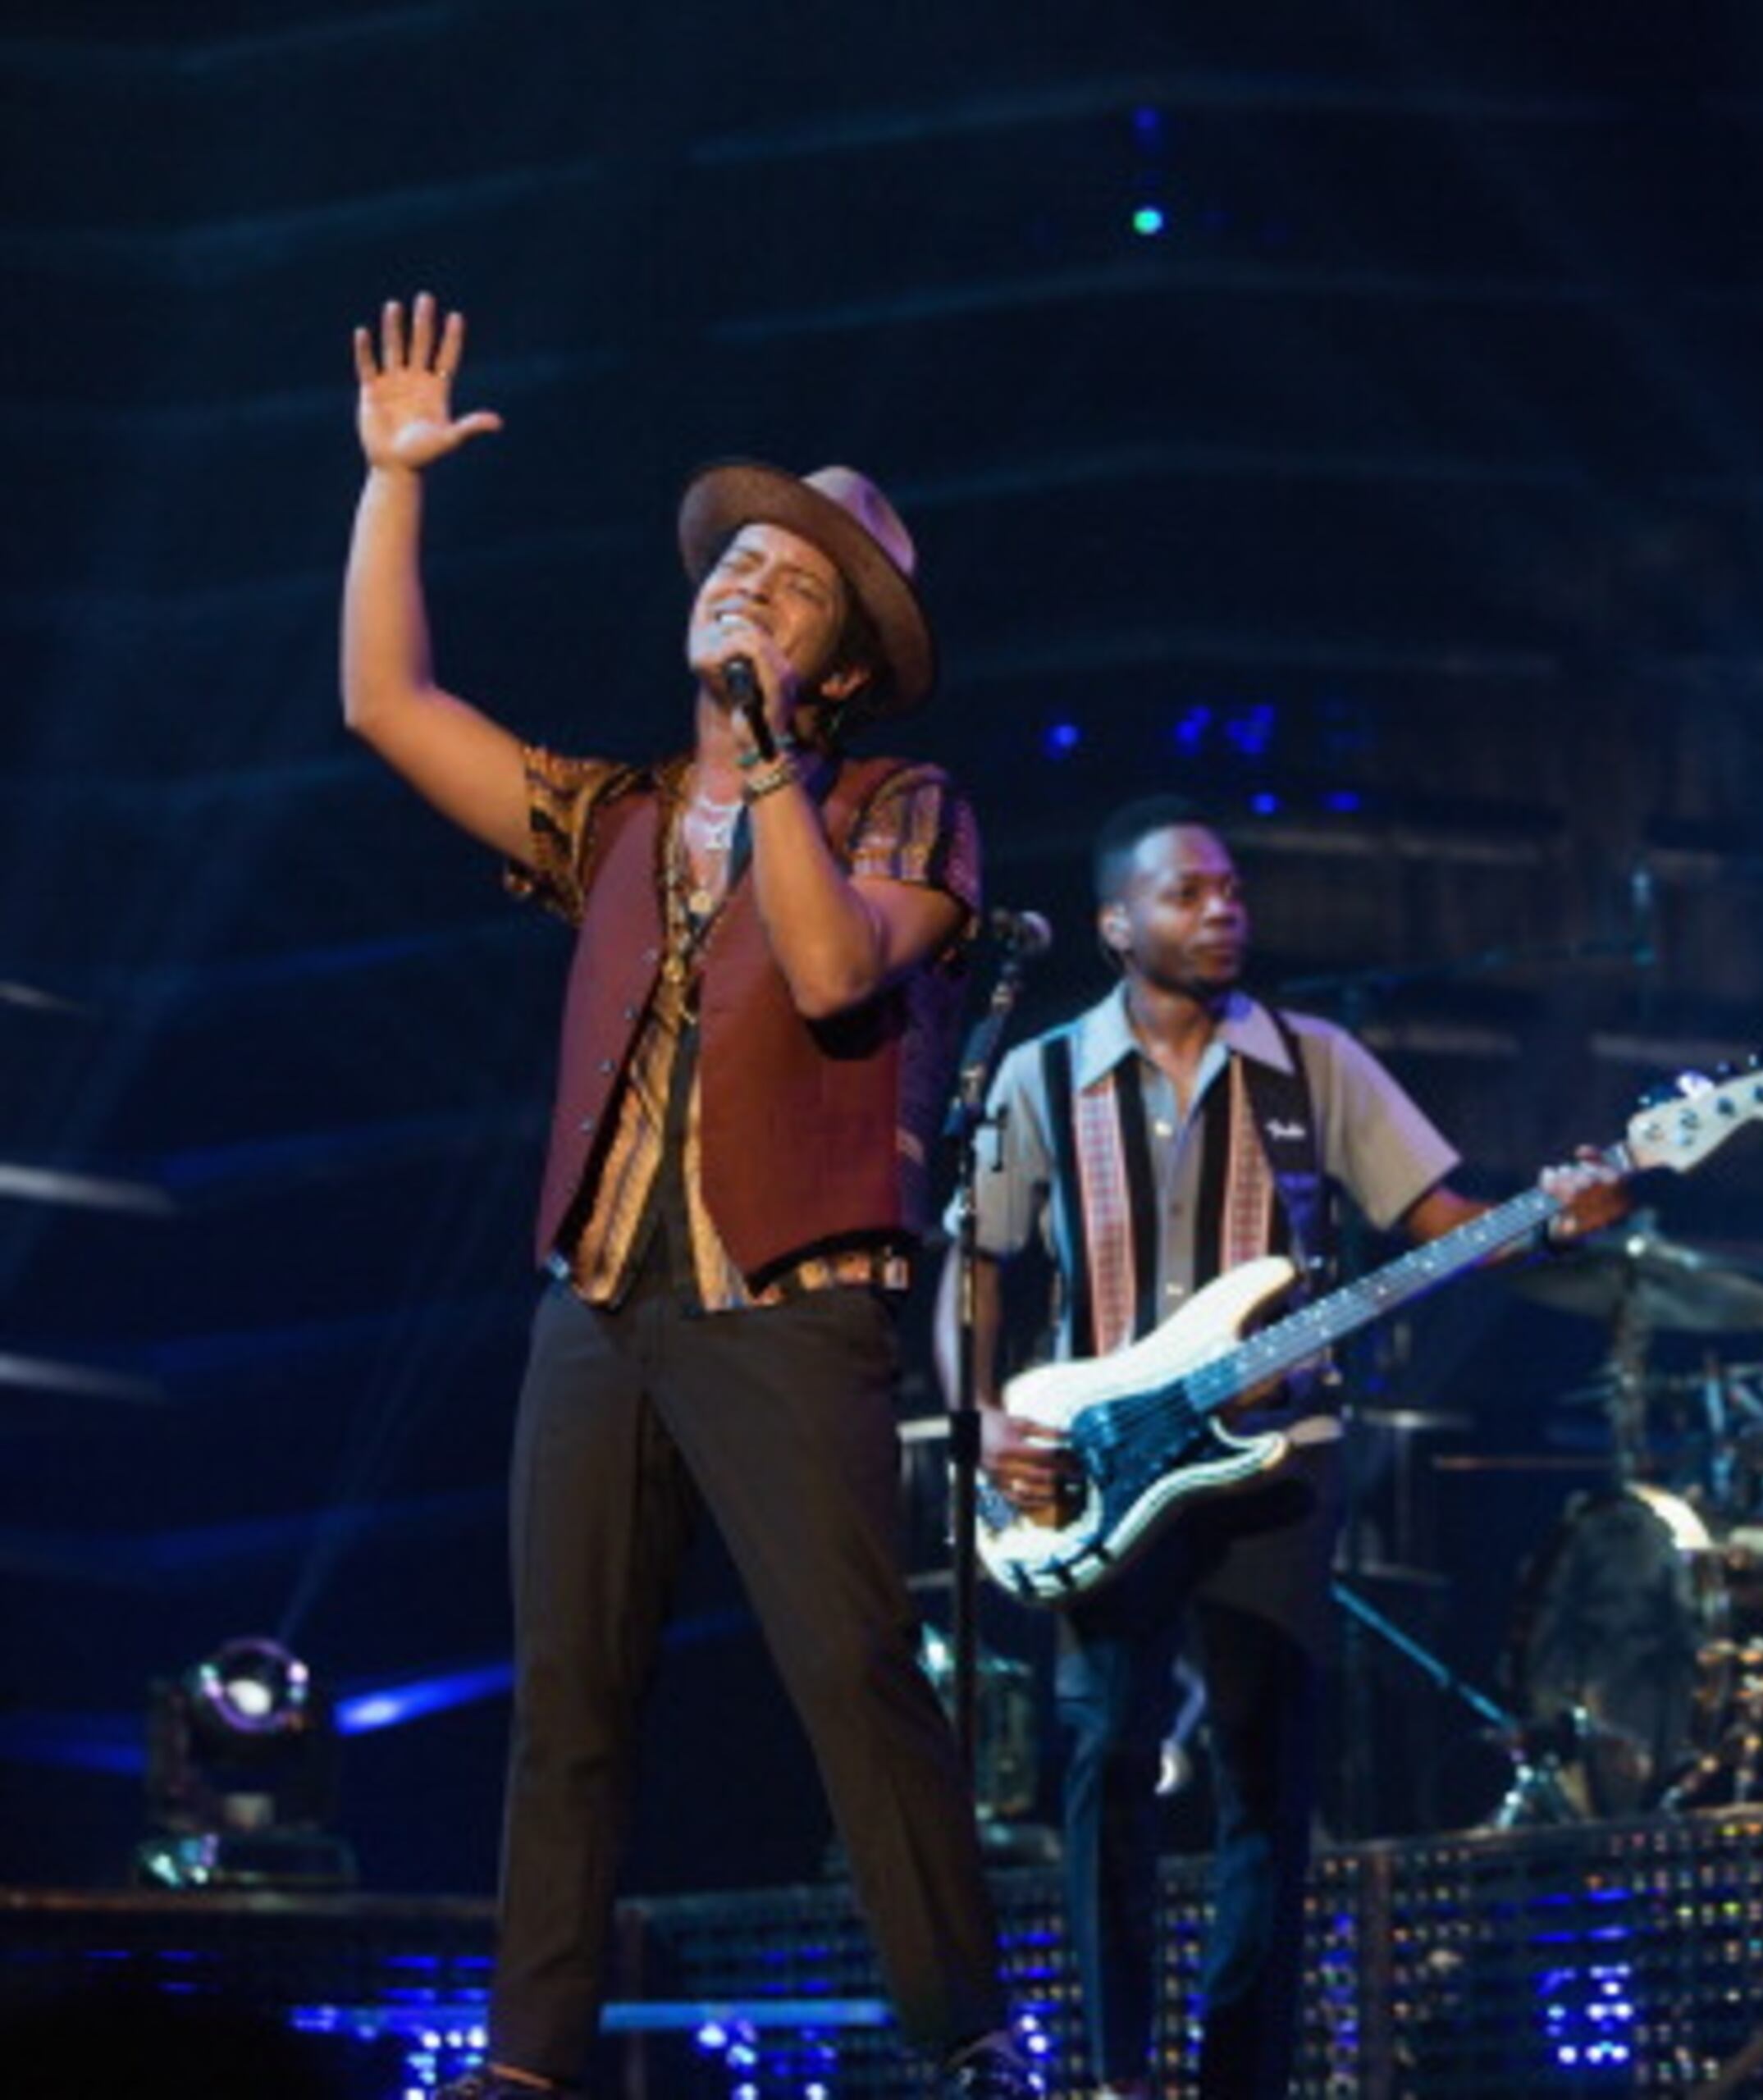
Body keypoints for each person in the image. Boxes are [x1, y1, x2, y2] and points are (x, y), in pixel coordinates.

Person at [340, 294, 1035, 2099]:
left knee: (854, 1673)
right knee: (567, 1701)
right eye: (737, 564)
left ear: (841, 669)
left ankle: (968, 2037)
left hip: (788, 1300)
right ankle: (528, 2064)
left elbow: (829, 970)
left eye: (791, 589)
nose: (745, 586)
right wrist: (395, 484)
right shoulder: (617, 817)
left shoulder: (904, 806)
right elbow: (387, 704)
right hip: (599, 1300)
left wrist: (769, 753)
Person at [938, 796, 1626, 2098]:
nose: (1223, 910)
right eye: (1188, 893)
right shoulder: (1037, 1075)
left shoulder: (1317, 1065)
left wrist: (1547, 1217)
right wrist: (981, 1420)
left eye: (1233, 890)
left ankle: (1239, 2082)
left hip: (1276, 1459)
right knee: (1105, 1761)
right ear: (1115, 923)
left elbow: (1439, 1219)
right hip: (1096, 1469)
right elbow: (974, 1262)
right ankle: (1117, 2075)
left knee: (1268, 1785)